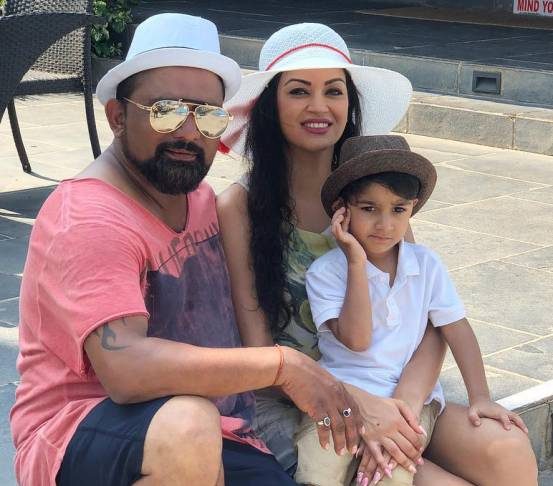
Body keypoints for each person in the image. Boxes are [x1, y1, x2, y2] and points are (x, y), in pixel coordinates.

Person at [9, 13, 378, 486]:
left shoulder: (200, 201)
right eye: (165, 110)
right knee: (188, 425)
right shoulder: (89, 216)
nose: (188, 132)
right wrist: (282, 366)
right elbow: (125, 369)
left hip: (221, 427)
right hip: (83, 430)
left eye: (207, 115)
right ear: (118, 116)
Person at [217, 22, 538, 486]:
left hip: (395, 390)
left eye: (333, 90)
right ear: (270, 105)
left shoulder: (376, 195)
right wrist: (359, 407)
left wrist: (402, 407)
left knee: (507, 450)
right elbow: (262, 354)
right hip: (298, 403)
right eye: (299, 91)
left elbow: (429, 318)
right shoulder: (240, 206)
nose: (319, 106)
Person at [294, 134, 534, 486]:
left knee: (391, 474)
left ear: (413, 207)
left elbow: (457, 329)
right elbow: (357, 339)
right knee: (319, 468)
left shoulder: (426, 264)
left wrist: (480, 396)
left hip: (413, 406)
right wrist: (356, 262)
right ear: (342, 210)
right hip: (342, 397)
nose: (385, 224)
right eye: (369, 209)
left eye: (398, 209)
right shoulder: (327, 272)